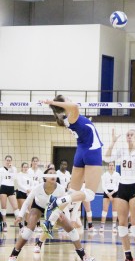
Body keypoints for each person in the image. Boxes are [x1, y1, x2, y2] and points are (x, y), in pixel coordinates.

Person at [41, 95, 102, 237]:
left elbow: (72, 107)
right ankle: (57, 201)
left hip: (80, 152)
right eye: (67, 99)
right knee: (90, 195)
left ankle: (50, 221)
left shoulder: (67, 119)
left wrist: (54, 104)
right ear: (63, 105)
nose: (70, 99)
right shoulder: (72, 114)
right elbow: (74, 106)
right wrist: (51, 102)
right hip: (91, 151)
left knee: (72, 192)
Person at [8, 168, 94, 261]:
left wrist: (64, 214)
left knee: (71, 228)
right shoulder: (38, 188)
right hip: (38, 207)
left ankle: (83, 256)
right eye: (50, 174)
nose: (53, 175)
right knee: (29, 230)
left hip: (53, 209)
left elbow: (65, 203)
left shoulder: (60, 188)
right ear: (45, 177)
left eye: (54, 173)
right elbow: (27, 202)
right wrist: (20, 216)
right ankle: (14, 254)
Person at [104, 128, 135, 261]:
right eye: (127, 134)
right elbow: (106, 158)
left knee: (134, 224)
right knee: (121, 224)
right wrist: (113, 142)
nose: (128, 136)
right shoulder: (121, 150)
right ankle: (128, 257)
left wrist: (134, 143)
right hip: (123, 186)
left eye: (131, 134)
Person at [0, 155, 19, 232]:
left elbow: (14, 178)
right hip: (3, 187)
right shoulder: (1, 169)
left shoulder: (14, 169)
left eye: (9, 160)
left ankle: (20, 224)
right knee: (4, 207)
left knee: (15, 207)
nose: (8, 162)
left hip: (11, 188)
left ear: (11, 161)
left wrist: (11, 169)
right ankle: (4, 224)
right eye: (7, 160)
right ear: (5, 161)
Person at [100, 162, 120, 233]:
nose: (111, 167)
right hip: (107, 192)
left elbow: (117, 186)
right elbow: (103, 186)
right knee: (105, 210)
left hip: (114, 192)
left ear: (114, 166)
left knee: (115, 210)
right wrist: (108, 194)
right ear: (108, 166)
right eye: (110, 165)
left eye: (112, 165)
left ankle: (114, 226)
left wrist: (112, 193)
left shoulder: (117, 174)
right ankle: (102, 226)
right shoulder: (104, 175)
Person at [28, 156, 44, 231]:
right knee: (30, 208)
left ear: (38, 162)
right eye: (34, 161)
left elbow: (41, 182)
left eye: (36, 161)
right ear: (31, 162)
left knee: (38, 208)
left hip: (37, 191)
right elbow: (27, 181)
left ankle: (38, 224)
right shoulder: (28, 171)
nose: (35, 162)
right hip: (30, 191)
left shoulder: (40, 172)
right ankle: (30, 225)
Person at [16, 162, 32, 228]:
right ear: (22, 167)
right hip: (21, 193)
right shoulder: (19, 174)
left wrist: (30, 189)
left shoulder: (29, 175)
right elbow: (19, 184)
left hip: (28, 194)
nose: (25, 168)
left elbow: (31, 184)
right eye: (24, 167)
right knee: (23, 209)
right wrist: (26, 189)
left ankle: (26, 223)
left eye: (26, 167)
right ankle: (21, 223)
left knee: (29, 209)